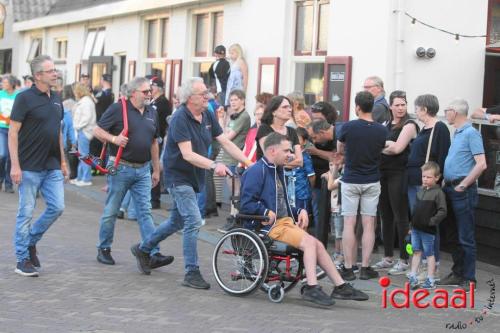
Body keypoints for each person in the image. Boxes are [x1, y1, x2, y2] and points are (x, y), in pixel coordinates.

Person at [130, 77, 252, 290]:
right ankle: (191, 272)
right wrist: (215, 165)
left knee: (177, 221)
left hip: (196, 176)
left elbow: (224, 141)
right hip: (179, 177)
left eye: (207, 93)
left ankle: (144, 248)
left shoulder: (207, 114)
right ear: (189, 98)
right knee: (193, 221)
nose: (208, 97)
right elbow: (187, 154)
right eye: (202, 94)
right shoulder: (179, 118)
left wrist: (248, 162)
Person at [239, 132, 369, 306]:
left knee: (318, 245)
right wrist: (264, 211)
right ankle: (311, 287)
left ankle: (340, 286)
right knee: (309, 243)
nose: (290, 154)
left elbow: (280, 205)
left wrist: (299, 210)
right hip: (267, 227)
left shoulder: (277, 170)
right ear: (272, 151)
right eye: (286, 151)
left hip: (283, 222)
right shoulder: (256, 171)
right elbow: (246, 204)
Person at [93, 76, 173, 270]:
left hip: (143, 169)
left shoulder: (152, 112)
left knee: (145, 212)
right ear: (133, 93)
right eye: (145, 91)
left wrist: (156, 169)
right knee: (111, 210)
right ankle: (104, 249)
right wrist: (114, 139)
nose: (149, 94)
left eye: (150, 91)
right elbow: (97, 131)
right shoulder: (117, 108)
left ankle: (151, 252)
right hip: (121, 167)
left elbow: (154, 142)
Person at [9, 55, 68, 277]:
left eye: (55, 70)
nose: (55, 73)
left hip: (51, 165)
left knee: (57, 207)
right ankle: (22, 259)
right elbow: (13, 132)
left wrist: (63, 161)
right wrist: (15, 166)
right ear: (38, 76)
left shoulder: (57, 98)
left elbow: (58, 131)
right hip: (29, 166)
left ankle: (31, 241)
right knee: (25, 212)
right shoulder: (24, 98)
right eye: (51, 71)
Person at [336, 91, 388, 281]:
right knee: (369, 224)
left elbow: (339, 149)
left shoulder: (347, 127)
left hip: (350, 180)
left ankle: (349, 268)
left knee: (349, 223)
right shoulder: (381, 130)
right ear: (371, 107)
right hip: (372, 180)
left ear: (357, 107)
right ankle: (366, 267)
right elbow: (382, 148)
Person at [439, 99, 487, 291]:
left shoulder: (471, 133)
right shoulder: (457, 133)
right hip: (450, 189)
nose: (446, 113)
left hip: (462, 191)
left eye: (447, 110)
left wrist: (464, 184)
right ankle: (458, 273)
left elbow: (481, 163)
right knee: (452, 234)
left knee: (465, 236)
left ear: (456, 112)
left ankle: (469, 278)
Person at [374, 90, 419, 275]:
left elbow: (397, 149)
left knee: (401, 217)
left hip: (399, 173)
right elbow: (385, 146)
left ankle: (404, 258)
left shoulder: (409, 124)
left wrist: (381, 145)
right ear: (390, 106)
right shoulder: (385, 123)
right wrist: (386, 145)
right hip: (382, 172)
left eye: (403, 104)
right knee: (385, 215)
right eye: (397, 105)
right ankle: (387, 257)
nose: (401, 108)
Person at [406, 94, 450, 280]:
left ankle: (432, 267)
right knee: (418, 224)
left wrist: (436, 183)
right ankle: (420, 264)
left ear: (424, 109)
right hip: (416, 183)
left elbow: (442, 156)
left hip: (427, 186)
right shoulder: (425, 128)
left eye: (417, 108)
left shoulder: (439, 128)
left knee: (428, 226)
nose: (415, 111)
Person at [408, 161, 447, 290]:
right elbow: (415, 210)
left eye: (428, 177)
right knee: (416, 252)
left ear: (437, 177)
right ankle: (413, 275)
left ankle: (430, 279)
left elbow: (443, 211)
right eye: (423, 176)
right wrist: (411, 225)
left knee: (429, 254)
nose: (425, 179)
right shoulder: (420, 190)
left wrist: (431, 222)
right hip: (416, 229)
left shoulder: (438, 193)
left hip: (428, 230)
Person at [149, 76, 172, 209]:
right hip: (151, 138)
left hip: (158, 139)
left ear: (157, 87)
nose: (150, 89)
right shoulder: (154, 101)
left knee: (155, 167)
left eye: (151, 87)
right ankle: (151, 196)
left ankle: (154, 199)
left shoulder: (163, 103)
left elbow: (160, 122)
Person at [70, 82, 97, 186]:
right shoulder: (86, 101)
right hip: (83, 130)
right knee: (82, 155)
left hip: (84, 130)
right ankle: (81, 177)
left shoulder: (86, 102)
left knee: (84, 156)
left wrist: (77, 126)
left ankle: (86, 179)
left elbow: (86, 117)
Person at [0, 74, 19, 193]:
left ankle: (8, 183)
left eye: (5, 82)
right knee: (2, 155)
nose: (2, 84)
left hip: (14, 130)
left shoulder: (18, 95)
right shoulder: (1, 94)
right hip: (1, 128)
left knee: (11, 158)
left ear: (11, 84)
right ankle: (0, 178)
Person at [90, 73, 114, 159]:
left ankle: (96, 167)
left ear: (102, 80)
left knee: (96, 147)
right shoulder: (111, 93)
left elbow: (95, 101)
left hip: (99, 122)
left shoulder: (104, 94)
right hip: (106, 122)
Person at [293, 127, 315, 213]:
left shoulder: (305, 157)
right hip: (291, 194)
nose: (295, 142)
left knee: (302, 216)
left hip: (302, 194)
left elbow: (312, 176)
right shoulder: (290, 155)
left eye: (297, 139)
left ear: (304, 141)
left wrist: (310, 189)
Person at [326, 161, 344, 267]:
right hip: (334, 210)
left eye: (335, 164)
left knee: (340, 235)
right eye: (330, 164)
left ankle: (342, 255)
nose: (332, 167)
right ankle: (337, 253)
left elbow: (330, 186)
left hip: (340, 210)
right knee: (336, 234)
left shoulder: (340, 178)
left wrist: (329, 174)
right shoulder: (334, 176)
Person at [61, 84, 77, 179]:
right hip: (71, 132)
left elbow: (69, 125)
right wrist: (74, 141)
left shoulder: (65, 105)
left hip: (63, 137)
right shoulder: (75, 102)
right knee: (68, 156)